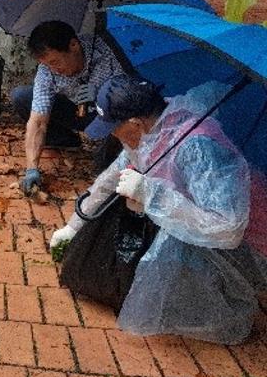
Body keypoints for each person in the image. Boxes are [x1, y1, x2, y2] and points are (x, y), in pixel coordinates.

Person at [51, 76, 267, 343]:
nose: (111, 135)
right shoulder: (153, 130)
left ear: (135, 123)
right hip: (201, 221)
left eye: (112, 128)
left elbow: (228, 228)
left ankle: (219, 304)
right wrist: (74, 225)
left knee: (159, 233)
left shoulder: (198, 146)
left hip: (247, 246)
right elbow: (111, 177)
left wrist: (152, 194)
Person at [12, 20, 125, 193]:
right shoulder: (47, 70)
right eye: (47, 64)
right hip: (75, 111)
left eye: (55, 61)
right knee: (22, 97)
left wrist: (101, 95)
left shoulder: (109, 54)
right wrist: (32, 168)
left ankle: (107, 160)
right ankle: (65, 140)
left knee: (105, 165)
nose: (54, 69)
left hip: (106, 115)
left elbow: (127, 100)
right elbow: (38, 121)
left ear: (74, 45)